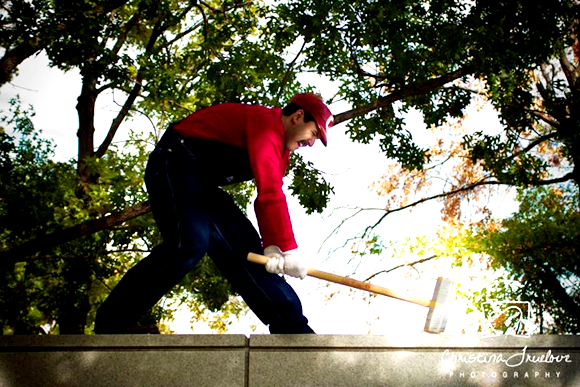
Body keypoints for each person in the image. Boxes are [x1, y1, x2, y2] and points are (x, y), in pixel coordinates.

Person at [94, 93, 334, 334]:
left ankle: (292, 327)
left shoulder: (281, 152)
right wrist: (288, 248)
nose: (312, 142)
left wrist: (274, 248)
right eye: (314, 133)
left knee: (248, 251)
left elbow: (269, 194)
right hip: (174, 160)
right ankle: (113, 319)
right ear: (298, 116)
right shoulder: (267, 126)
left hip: (202, 182)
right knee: (189, 243)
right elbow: (269, 191)